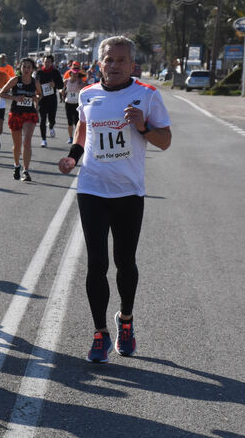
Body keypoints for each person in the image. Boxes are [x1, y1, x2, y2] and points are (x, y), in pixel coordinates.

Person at [58, 36, 171, 363]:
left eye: (122, 60)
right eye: (109, 59)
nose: (115, 65)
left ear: (132, 64)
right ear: (100, 62)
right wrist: (72, 157)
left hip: (129, 193)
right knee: (96, 263)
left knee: (125, 262)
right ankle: (99, 333)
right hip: (92, 189)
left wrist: (144, 126)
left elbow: (165, 141)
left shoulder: (147, 95)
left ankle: (125, 320)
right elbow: (83, 129)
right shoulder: (88, 94)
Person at [0, 58, 42, 182]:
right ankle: (17, 165)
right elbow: (2, 93)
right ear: (20, 68)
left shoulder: (35, 82)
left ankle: (26, 170)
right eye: (24, 67)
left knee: (27, 141)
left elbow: (40, 95)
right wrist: (15, 98)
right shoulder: (15, 80)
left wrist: (36, 98)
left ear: (33, 69)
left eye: (29, 67)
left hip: (30, 114)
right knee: (17, 145)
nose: (27, 69)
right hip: (16, 113)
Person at [36, 54, 64, 148]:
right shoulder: (39, 73)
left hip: (52, 99)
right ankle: (43, 140)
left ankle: (51, 126)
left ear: (51, 63)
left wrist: (54, 84)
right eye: (45, 62)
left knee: (52, 119)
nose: (47, 63)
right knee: (42, 120)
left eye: (48, 62)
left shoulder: (56, 72)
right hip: (42, 99)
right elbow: (35, 84)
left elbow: (61, 86)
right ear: (43, 62)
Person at [61, 61, 86, 144]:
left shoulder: (80, 81)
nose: (75, 76)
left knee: (77, 122)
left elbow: (83, 89)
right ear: (70, 74)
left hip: (77, 104)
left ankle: (77, 137)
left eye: (76, 74)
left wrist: (80, 83)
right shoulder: (66, 81)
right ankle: (70, 137)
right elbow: (63, 90)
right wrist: (62, 93)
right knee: (69, 122)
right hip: (68, 103)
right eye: (73, 74)